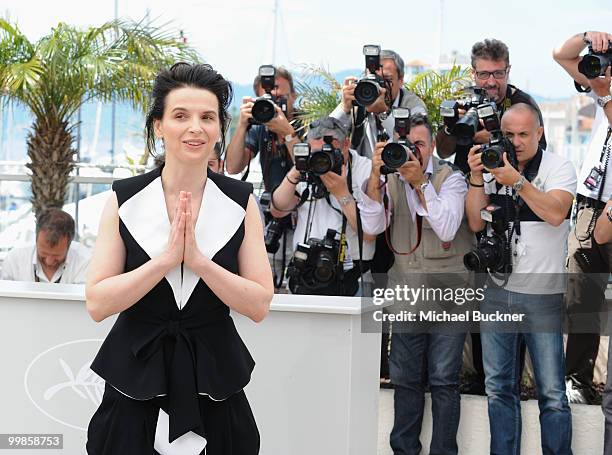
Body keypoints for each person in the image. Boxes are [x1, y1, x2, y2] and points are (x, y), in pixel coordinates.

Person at [85, 63, 273, 455]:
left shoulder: (240, 202)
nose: (195, 128)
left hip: (215, 373)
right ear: (158, 126)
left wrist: (200, 262)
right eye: (180, 116)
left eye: (207, 117)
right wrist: (165, 260)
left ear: (220, 128)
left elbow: (258, 304)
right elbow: (98, 302)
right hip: (134, 374)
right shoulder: (125, 198)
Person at [359, 114, 473, 455]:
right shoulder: (388, 179)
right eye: (406, 144)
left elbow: (448, 227)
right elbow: (372, 227)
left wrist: (419, 183)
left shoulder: (450, 178)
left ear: (433, 146)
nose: (412, 152)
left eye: (419, 145)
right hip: (406, 294)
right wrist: (376, 176)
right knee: (406, 380)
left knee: (443, 381)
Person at [465, 103, 575, 454]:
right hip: (498, 292)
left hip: (543, 296)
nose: (516, 142)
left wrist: (517, 181)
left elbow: (556, 213)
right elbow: (476, 223)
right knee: (498, 389)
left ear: (540, 132)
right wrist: (475, 178)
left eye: (524, 134)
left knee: (553, 393)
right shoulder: (493, 163)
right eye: (509, 135)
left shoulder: (559, 167)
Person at [553, 30, 612, 406]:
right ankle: (577, 379)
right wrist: (592, 37)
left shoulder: (606, 94)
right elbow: (562, 54)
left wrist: (605, 93)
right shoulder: (603, 85)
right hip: (592, 204)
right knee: (581, 296)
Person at [271, 116, 376, 296]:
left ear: (346, 145)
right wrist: (298, 168)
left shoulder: (364, 170)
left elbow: (368, 233)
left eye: (328, 151)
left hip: (350, 275)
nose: (321, 159)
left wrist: (342, 193)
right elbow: (278, 210)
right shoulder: (308, 168)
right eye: (316, 152)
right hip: (305, 271)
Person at [437, 38, 546, 174]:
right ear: (473, 73)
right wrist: (450, 128)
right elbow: (443, 153)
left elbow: (540, 152)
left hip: (509, 184)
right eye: (483, 74)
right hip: (467, 182)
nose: (491, 82)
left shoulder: (522, 103)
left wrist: (498, 138)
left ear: (508, 71)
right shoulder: (462, 100)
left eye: (498, 73)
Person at [330, 49, 426, 159]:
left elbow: (417, 145)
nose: (380, 86)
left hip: (400, 173)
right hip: (366, 173)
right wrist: (344, 108)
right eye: (373, 80)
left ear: (401, 80)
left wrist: (384, 113)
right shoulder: (359, 100)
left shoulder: (413, 105)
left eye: (387, 79)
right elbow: (324, 136)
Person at [225, 66, 301, 191]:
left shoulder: (307, 123)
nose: (274, 105)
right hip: (272, 205)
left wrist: (288, 133)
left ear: (294, 96)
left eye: (279, 98)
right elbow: (233, 168)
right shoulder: (258, 126)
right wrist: (242, 125)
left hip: (306, 203)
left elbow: (310, 169)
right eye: (268, 101)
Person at [0, 208, 90, 284]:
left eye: (56, 255)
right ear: (35, 238)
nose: (49, 261)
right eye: (43, 253)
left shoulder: (84, 261)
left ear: (69, 244)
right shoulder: (15, 259)